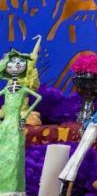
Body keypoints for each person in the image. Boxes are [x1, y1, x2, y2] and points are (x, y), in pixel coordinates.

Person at [0, 48, 43, 196]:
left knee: (15, 156)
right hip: (5, 124)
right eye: (11, 63)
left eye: (20, 63)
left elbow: (38, 98)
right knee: (3, 154)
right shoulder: (7, 88)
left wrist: (25, 114)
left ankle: (14, 189)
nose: (15, 66)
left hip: (16, 122)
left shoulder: (23, 88)